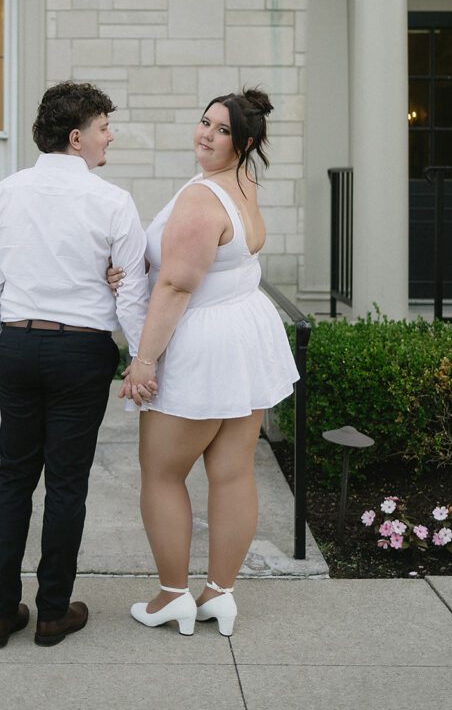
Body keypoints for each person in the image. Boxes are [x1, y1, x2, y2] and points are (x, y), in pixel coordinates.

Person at [0, 81, 152, 649]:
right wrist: (140, 357)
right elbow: (132, 293)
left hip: (20, 347)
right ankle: (53, 613)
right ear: (77, 138)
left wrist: (2, 343)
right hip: (81, 350)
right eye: (103, 127)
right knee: (67, 483)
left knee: (12, 477)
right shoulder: (113, 201)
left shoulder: (4, 194)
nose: (110, 135)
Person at [114, 88, 299, 637]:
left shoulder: (201, 199)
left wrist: (143, 361)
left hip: (202, 346)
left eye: (220, 130)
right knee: (232, 472)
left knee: (163, 473)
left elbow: (175, 284)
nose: (205, 134)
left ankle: (174, 596)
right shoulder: (242, 184)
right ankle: (219, 594)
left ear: (242, 144)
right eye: (203, 122)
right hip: (242, 339)